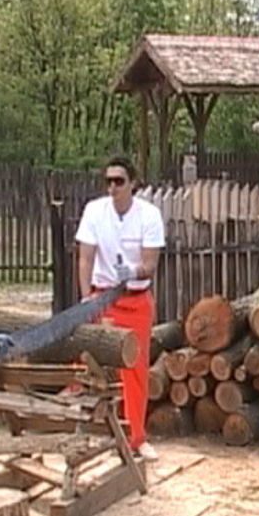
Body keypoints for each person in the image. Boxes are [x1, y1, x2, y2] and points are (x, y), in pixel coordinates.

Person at [75, 156, 164, 460]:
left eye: (119, 181)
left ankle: (137, 438)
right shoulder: (94, 211)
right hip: (104, 297)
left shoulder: (149, 215)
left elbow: (150, 264)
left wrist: (134, 272)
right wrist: (86, 297)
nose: (113, 187)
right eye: (108, 181)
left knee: (135, 368)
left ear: (133, 184)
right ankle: (93, 432)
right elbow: (86, 257)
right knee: (94, 364)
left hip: (135, 298)